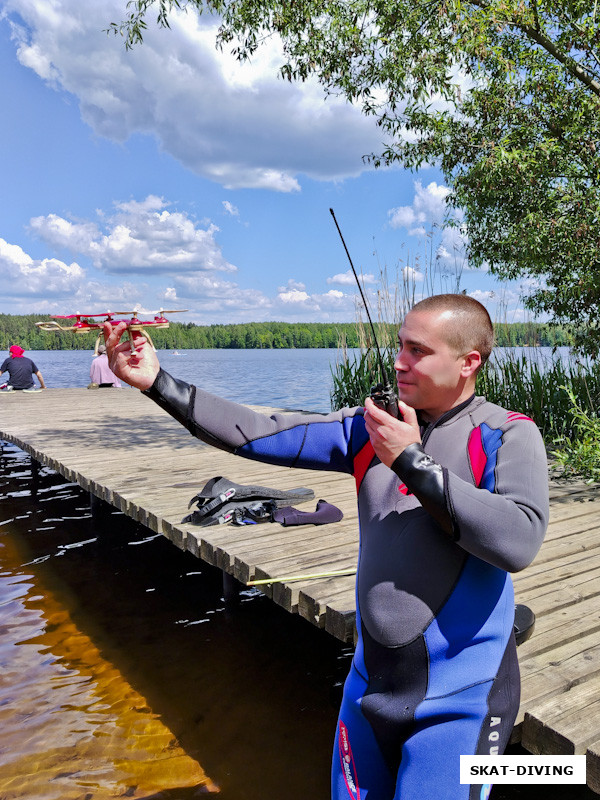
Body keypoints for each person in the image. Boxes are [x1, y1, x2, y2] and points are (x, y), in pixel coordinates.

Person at [103, 294, 549, 800]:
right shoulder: (369, 427)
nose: (398, 360)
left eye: (418, 351)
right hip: (370, 685)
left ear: (469, 362)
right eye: (400, 344)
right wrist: (157, 382)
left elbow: (519, 540)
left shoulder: (507, 435)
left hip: (463, 698)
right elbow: (256, 432)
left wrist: (409, 460)